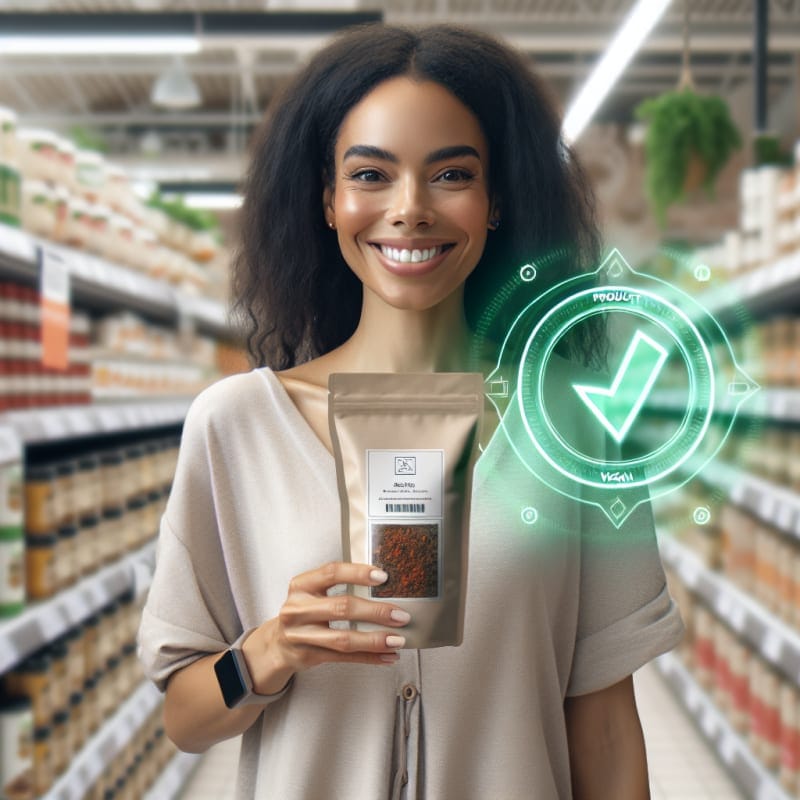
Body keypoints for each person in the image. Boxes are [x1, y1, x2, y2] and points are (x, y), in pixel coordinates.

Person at [138, 23, 684, 800]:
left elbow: (602, 721)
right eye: (370, 175)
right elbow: (185, 719)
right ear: (327, 200)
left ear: (496, 202)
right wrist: (269, 650)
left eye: (451, 174)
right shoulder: (236, 426)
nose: (410, 209)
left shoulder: (573, 420)